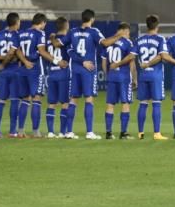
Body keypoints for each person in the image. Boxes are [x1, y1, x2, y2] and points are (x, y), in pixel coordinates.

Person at [65, 9, 123, 139]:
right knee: (89, 98)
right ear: (92, 19)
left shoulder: (73, 32)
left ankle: (69, 131)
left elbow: (68, 49)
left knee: (73, 99)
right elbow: (105, 43)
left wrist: (80, 61)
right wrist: (119, 35)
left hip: (75, 68)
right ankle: (89, 132)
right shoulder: (94, 31)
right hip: (88, 70)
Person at [15, 13, 60, 138]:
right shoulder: (40, 33)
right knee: (36, 99)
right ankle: (36, 132)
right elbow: (42, 51)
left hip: (23, 69)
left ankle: (20, 131)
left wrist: (24, 61)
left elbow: (17, 49)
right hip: (35, 69)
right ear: (43, 22)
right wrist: (56, 61)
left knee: (25, 99)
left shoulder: (22, 33)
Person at [103, 22, 137, 140]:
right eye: (128, 32)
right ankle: (123, 133)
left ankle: (108, 133)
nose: (128, 35)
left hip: (112, 76)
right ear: (125, 31)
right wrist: (134, 78)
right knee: (125, 103)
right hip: (123, 77)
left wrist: (108, 74)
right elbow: (131, 59)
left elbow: (104, 61)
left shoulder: (108, 42)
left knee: (110, 104)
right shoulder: (128, 42)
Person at [0, 13, 23, 138]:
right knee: (15, 101)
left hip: (3, 72)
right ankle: (12, 131)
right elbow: (13, 53)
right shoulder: (18, 35)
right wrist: (5, 62)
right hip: (14, 70)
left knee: (1, 101)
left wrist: (1, 62)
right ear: (17, 22)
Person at [45, 17, 72, 138]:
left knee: (51, 103)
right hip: (63, 73)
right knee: (65, 103)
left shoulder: (49, 40)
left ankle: (50, 132)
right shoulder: (67, 40)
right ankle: (62, 132)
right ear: (66, 25)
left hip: (51, 74)